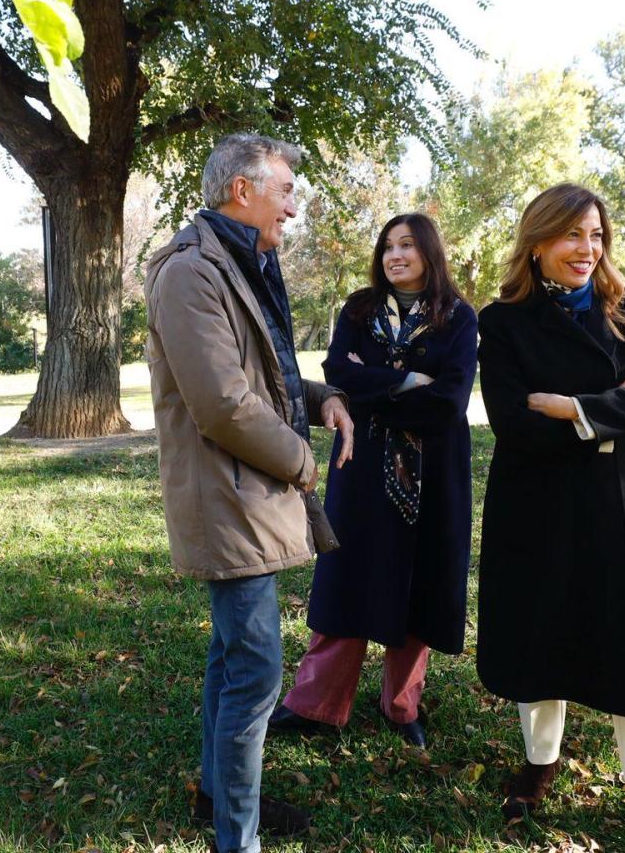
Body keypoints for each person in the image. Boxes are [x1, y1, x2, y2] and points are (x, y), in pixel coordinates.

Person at [144, 133, 355, 853]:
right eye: (286, 191)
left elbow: (263, 370)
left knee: (233, 655)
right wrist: (302, 460)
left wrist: (319, 395)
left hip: (247, 492)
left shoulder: (243, 260)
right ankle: (238, 837)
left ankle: (215, 795)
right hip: (227, 494)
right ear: (243, 190)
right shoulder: (189, 272)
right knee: (257, 668)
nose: (293, 207)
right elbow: (223, 404)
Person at [475, 183, 625, 853]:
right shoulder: (501, 322)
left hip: (616, 508)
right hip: (532, 507)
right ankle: (541, 761)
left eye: (596, 236)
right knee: (540, 639)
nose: (587, 249)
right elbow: (512, 421)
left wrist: (574, 409)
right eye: (572, 235)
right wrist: (610, 410)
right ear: (538, 242)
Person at [267, 213, 477, 750]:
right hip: (360, 466)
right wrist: (408, 379)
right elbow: (340, 375)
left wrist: (374, 386)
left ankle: (401, 702)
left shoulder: (458, 317)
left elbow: (448, 403)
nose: (395, 255)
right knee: (347, 577)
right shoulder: (360, 309)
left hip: (434, 473)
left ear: (429, 251)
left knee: (419, 581)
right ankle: (316, 704)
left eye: (407, 245)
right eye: (387, 246)